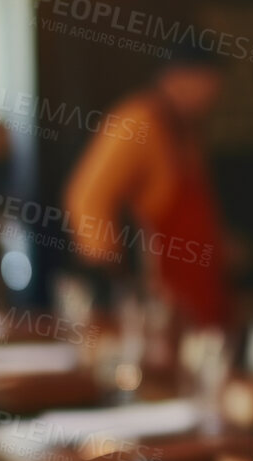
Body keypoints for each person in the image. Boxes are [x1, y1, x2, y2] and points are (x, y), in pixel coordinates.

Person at [63, 45, 233, 328]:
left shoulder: (185, 128)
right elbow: (87, 197)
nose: (213, 97)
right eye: (208, 84)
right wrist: (113, 276)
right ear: (179, 78)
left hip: (197, 291)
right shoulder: (139, 121)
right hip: (163, 294)